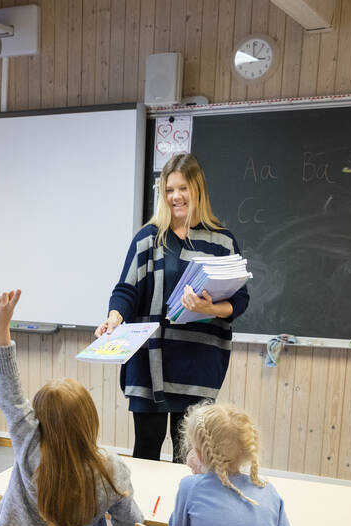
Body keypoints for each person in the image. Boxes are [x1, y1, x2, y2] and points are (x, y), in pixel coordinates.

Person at [0, 289, 143, 526]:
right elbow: (130, 524)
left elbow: (10, 394)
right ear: (90, 420)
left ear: (39, 421)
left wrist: (0, 331)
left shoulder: (28, 446)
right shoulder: (110, 470)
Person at [97, 152, 250, 463]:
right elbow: (126, 289)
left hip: (198, 366)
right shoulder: (147, 239)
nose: (176, 197)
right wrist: (114, 318)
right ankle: (140, 514)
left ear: (198, 189)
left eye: (183, 188)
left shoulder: (222, 242)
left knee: (190, 459)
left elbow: (240, 299)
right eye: (169, 190)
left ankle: (182, 513)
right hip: (149, 365)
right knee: (146, 451)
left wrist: (211, 309)